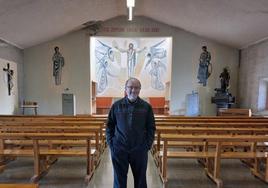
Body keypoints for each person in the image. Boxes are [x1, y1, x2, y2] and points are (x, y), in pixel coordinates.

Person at [106, 77, 156, 188]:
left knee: (140, 181)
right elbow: (110, 125)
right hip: (119, 149)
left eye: (136, 88)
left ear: (140, 89)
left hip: (139, 149)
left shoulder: (146, 107)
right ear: (125, 88)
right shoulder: (116, 106)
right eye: (130, 87)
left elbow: (151, 128)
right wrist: (111, 144)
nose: (133, 90)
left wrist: (147, 146)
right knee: (119, 181)